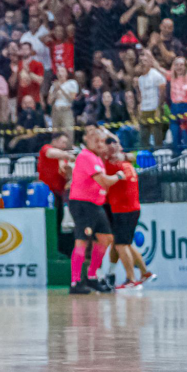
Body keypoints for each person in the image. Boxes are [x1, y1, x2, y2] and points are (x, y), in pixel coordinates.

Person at [66, 125, 126, 295]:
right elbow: (103, 181)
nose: (99, 143)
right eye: (95, 140)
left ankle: (92, 276)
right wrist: (118, 176)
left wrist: (107, 134)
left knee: (106, 238)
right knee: (81, 241)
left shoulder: (97, 157)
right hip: (82, 204)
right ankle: (75, 281)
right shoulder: (86, 156)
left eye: (101, 141)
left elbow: (117, 147)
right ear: (86, 139)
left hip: (95, 203)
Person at [102, 139, 155, 289]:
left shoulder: (112, 166)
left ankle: (131, 279)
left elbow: (100, 176)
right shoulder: (126, 164)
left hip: (122, 210)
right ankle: (144, 272)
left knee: (121, 244)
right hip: (132, 208)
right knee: (125, 243)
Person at [38, 132, 73, 235]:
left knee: (58, 220)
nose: (64, 146)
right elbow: (50, 153)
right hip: (47, 193)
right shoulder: (46, 148)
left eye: (66, 143)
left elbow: (67, 175)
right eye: (63, 142)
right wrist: (68, 155)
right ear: (54, 141)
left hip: (59, 193)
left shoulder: (63, 159)